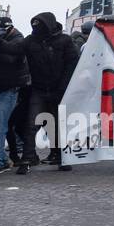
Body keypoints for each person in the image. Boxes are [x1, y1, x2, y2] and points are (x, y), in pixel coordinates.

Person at [23, 11, 80, 174]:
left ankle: (63, 158)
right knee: (32, 124)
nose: (36, 29)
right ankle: (27, 158)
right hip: (40, 89)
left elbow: (72, 64)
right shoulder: (31, 40)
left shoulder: (64, 41)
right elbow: (16, 48)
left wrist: (63, 86)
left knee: (58, 125)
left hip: (57, 89)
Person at [0, 16, 30, 175]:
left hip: (9, 91)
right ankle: (0, 158)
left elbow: (14, 55)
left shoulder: (19, 40)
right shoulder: (1, 42)